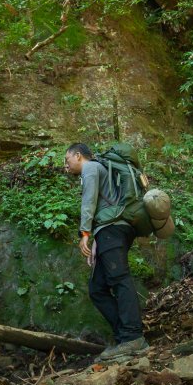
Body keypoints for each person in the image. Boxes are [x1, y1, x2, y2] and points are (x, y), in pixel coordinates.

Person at [63, 143, 148, 361]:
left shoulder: (91, 168)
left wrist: (84, 232)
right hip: (112, 229)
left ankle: (133, 338)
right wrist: (97, 242)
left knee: (119, 278)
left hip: (113, 229)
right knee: (97, 288)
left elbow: (89, 200)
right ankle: (124, 337)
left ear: (78, 156)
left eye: (67, 160)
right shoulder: (102, 169)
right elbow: (106, 207)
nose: (66, 166)